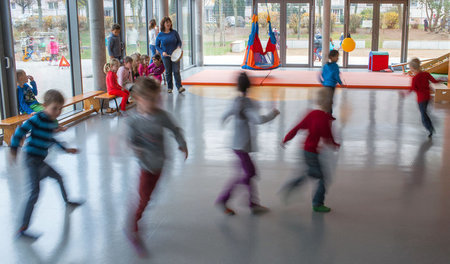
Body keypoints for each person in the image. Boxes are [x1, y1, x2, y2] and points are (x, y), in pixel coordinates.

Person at [11, 89, 82, 240]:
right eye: (54, 108)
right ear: (45, 106)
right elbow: (20, 132)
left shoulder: (50, 122)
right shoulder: (37, 119)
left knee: (59, 177)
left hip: (40, 161)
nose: (58, 112)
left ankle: (67, 201)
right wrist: (13, 148)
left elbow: (51, 140)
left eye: (60, 108)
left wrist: (66, 149)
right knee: (34, 193)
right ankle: (22, 229)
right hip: (31, 160)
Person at [126, 77, 188, 236]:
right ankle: (133, 223)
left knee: (149, 195)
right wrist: (136, 148)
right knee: (144, 198)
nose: (153, 103)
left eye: (155, 99)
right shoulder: (133, 120)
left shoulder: (160, 116)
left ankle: (141, 208)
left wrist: (182, 144)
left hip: (159, 164)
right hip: (145, 165)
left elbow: (175, 129)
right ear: (138, 99)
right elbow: (130, 140)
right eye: (149, 99)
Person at [216, 72, 280, 215]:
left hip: (236, 145)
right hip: (242, 146)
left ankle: (253, 203)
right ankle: (224, 198)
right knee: (249, 173)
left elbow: (226, 114)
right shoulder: (247, 103)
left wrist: (224, 120)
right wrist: (273, 114)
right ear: (250, 86)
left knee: (248, 173)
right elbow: (257, 120)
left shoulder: (236, 101)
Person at [281, 88, 340, 213]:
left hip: (306, 150)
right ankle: (317, 203)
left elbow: (296, 128)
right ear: (330, 103)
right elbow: (327, 137)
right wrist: (335, 144)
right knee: (322, 178)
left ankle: (292, 185)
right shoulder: (324, 119)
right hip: (312, 153)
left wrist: (286, 139)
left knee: (311, 173)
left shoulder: (311, 114)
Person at [403, 58, 442, 138]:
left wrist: (405, 94)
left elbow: (413, 88)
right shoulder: (426, 74)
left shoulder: (415, 78)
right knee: (424, 112)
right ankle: (430, 126)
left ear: (412, 68)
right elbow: (434, 81)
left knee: (423, 115)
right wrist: (441, 79)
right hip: (428, 97)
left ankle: (430, 128)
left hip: (421, 99)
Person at [155, 17, 185, 94]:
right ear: (163, 24)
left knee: (176, 71)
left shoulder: (174, 32)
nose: (168, 24)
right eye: (166, 22)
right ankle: (170, 87)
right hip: (166, 56)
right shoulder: (160, 35)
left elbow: (179, 42)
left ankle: (179, 87)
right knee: (168, 72)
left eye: (169, 22)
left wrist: (178, 47)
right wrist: (162, 52)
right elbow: (157, 46)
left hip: (175, 56)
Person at [319, 49, 343, 117]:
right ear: (331, 57)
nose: (338, 58)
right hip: (331, 86)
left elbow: (322, 74)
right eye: (336, 56)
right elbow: (336, 76)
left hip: (325, 85)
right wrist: (340, 83)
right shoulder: (335, 66)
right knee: (330, 100)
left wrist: (322, 82)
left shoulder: (326, 65)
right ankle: (329, 114)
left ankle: (326, 113)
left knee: (327, 99)